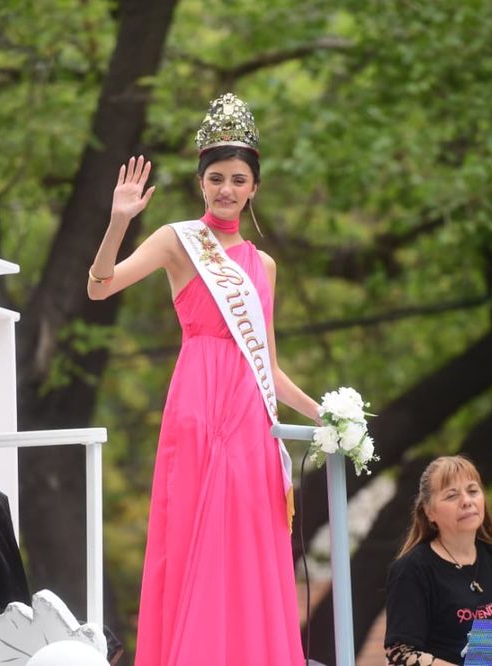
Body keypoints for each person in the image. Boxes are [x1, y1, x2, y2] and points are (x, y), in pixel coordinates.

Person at [87, 93, 317, 665]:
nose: (226, 189)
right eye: (216, 178)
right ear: (200, 182)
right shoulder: (176, 239)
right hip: (197, 404)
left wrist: (327, 414)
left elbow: (271, 363)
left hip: (250, 417)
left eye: (239, 179)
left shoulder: (263, 267)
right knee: (196, 540)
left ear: (254, 187)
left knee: (249, 546)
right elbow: (100, 286)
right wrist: (119, 221)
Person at [384, 455, 492, 665]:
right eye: (452, 495)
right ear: (429, 511)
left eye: (472, 491)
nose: (466, 501)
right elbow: (399, 655)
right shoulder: (412, 569)